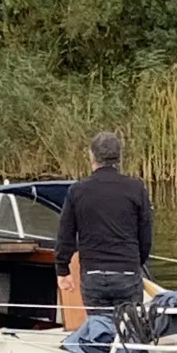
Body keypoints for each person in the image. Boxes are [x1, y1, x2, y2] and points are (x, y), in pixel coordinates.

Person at [55, 132, 153, 315]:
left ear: (91, 156)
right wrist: (137, 262)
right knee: (130, 330)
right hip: (127, 273)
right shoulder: (136, 188)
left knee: (99, 328)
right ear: (119, 158)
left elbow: (65, 234)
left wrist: (62, 269)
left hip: (93, 274)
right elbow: (145, 235)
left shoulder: (77, 191)